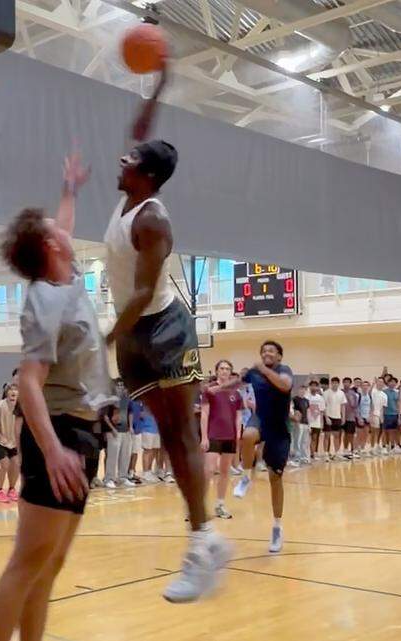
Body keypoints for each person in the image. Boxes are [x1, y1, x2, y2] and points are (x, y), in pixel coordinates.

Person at [101, 59, 230, 603]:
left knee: (181, 437)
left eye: (129, 160)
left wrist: (104, 340)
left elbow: (139, 295)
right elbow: (138, 134)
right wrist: (158, 84)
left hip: (164, 330)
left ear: (146, 176)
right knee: (169, 436)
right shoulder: (130, 195)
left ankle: (203, 544)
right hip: (134, 337)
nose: (121, 158)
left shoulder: (153, 219)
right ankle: (204, 537)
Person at [0, 147, 115, 641]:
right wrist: (52, 448)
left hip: (84, 435)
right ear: (48, 244)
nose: (66, 229)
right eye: (55, 227)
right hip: (60, 436)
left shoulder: (69, 281)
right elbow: (28, 381)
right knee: (28, 562)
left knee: (51, 565)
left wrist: (69, 192)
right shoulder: (44, 298)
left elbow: (61, 223)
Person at [233, 341, 294, 552]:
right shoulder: (254, 372)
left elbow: (284, 386)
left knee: (275, 479)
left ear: (278, 356)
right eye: (263, 351)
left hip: (279, 427)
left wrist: (263, 369)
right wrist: (218, 386)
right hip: (260, 419)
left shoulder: (283, 371)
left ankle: (277, 527)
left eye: (271, 351)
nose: (266, 353)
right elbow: (238, 382)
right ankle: (246, 476)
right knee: (248, 435)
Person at [200, 359, 244, 519]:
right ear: (217, 371)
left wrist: (238, 434)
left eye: (227, 369)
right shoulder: (210, 391)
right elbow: (204, 414)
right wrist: (204, 436)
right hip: (213, 435)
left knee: (225, 471)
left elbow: (238, 416)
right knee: (209, 471)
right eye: (222, 368)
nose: (224, 371)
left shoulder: (236, 394)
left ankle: (220, 505)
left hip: (230, 437)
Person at [0, 384, 22, 502]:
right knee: (5, 465)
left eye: (16, 390)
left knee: (17, 464)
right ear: (7, 393)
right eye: (11, 390)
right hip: (1, 442)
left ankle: (12, 489)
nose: (13, 393)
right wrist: (0, 436)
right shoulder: (0, 406)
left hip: (14, 442)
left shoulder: (21, 406)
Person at [323, 377, 346, 461]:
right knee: (327, 436)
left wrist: (343, 417)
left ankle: (336, 453)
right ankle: (326, 454)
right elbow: (323, 406)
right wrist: (326, 417)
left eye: (336, 383)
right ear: (331, 383)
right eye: (333, 382)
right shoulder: (326, 393)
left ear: (338, 384)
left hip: (337, 417)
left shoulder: (341, 393)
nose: (334, 384)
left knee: (337, 436)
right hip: (329, 416)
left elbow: (343, 406)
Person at [383, 376, 401, 453]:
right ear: (388, 383)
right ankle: (387, 446)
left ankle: (393, 446)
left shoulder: (396, 393)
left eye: (394, 382)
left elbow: (398, 404)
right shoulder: (384, 392)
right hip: (386, 414)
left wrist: (399, 416)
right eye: (391, 382)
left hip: (395, 414)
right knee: (387, 431)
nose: (393, 383)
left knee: (394, 431)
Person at [307, 380, 325, 461]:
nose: (313, 387)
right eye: (312, 386)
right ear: (309, 387)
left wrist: (321, 423)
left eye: (315, 386)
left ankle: (313, 454)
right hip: (308, 421)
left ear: (318, 387)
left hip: (317, 422)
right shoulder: (306, 397)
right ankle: (305, 454)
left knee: (315, 438)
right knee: (306, 439)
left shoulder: (320, 398)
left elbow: (321, 411)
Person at [342, 377, 359, 459]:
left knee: (351, 434)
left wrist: (358, 417)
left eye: (348, 382)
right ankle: (345, 450)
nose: (346, 384)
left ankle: (352, 450)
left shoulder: (353, 394)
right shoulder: (340, 392)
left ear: (350, 384)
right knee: (344, 434)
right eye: (345, 382)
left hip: (351, 417)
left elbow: (354, 406)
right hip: (341, 417)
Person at [371, 377, 389, 456]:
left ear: (383, 384)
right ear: (377, 382)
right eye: (379, 381)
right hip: (373, 414)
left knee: (382, 431)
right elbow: (369, 393)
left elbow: (384, 407)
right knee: (374, 432)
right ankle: (373, 447)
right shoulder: (373, 391)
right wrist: (373, 383)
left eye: (382, 382)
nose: (380, 383)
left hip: (380, 414)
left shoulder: (384, 395)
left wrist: (382, 416)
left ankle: (382, 447)